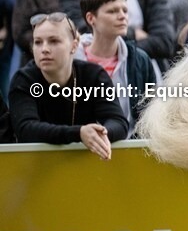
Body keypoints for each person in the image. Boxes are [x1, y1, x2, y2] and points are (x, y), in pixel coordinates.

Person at [8, 12, 128, 156]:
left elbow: (118, 122)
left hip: (85, 164)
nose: (44, 49)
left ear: (74, 45)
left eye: (54, 41)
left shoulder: (94, 75)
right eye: (38, 42)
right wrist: (79, 134)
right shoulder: (24, 79)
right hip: (36, 166)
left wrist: (100, 134)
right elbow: (26, 129)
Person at [75, 0, 159, 136]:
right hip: (78, 148)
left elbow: (152, 115)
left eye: (125, 10)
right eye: (112, 11)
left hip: (128, 149)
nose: (122, 16)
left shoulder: (140, 60)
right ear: (91, 18)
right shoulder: (70, 58)